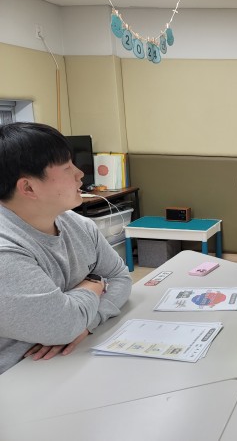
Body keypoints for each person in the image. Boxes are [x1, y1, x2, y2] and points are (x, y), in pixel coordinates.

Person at [0, 122, 132, 375]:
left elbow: (120, 277)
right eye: (66, 167)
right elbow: (62, 325)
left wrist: (87, 322)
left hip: (72, 358)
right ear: (28, 187)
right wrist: (93, 285)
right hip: (18, 377)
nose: (80, 174)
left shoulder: (78, 225)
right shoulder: (5, 249)